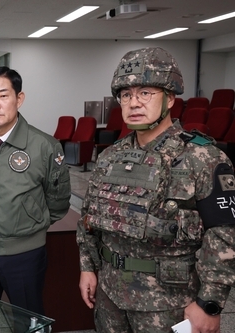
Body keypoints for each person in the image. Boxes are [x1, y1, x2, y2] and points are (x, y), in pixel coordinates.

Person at [77, 47, 235, 333]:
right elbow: (89, 218)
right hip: (110, 296)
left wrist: (209, 303)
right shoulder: (110, 157)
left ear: (170, 98)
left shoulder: (203, 157)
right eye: (126, 95)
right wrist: (88, 267)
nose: (134, 103)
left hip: (169, 304)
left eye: (146, 93)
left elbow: (225, 233)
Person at [0, 66, 71, 332]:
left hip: (24, 255)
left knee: (29, 321)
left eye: (3, 95)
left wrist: (28, 223)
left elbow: (58, 201)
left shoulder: (44, 146)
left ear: (19, 99)